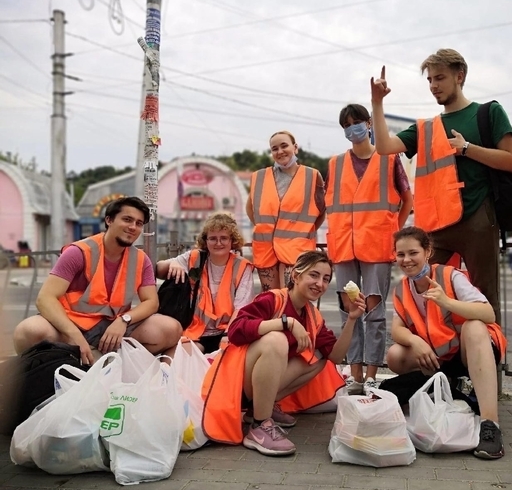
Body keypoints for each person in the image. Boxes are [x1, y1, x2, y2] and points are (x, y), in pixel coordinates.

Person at [370, 49, 512, 325]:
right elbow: (384, 146)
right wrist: (377, 103)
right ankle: (440, 348)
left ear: (459, 76)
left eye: (439, 78)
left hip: (478, 217)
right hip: (437, 224)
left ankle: (488, 350)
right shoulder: (426, 128)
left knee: (484, 294)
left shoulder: (488, 112)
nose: (433, 86)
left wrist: (467, 148)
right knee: (427, 290)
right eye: (429, 80)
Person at [201, 251, 366, 456]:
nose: (320, 284)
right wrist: (287, 323)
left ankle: (261, 408)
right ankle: (259, 426)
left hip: (253, 389)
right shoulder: (273, 299)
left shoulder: (313, 315)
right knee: (276, 340)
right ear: (296, 276)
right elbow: (236, 330)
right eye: (314, 275)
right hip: (233, 383)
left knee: (319, 357)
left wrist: (352, 319)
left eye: (326, 279)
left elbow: (334, 357)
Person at [382, 226, 507, 459]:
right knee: (395, 355)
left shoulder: (450, 275)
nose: (406, 260)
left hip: (473, 350)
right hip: (441, 357)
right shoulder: (402, 289)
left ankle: (490, 425)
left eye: (413, 253)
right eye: (401, 254)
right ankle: (447, 384)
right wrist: (415, 341)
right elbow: (397, 329)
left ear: (427, 252)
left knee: (474, 326)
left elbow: (488, 313)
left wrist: (446, 302)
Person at [13, 197, 182, 365]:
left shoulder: (140, 260)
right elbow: (45, 298)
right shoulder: (78, 252)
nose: (133, 227)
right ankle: (80, 357)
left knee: (171, 329)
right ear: (109, 220)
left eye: (139, 223)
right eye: (127, 219)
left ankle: (103, 360)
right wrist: (74, 335)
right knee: (28, 331)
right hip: (70, 324)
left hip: (113, 327)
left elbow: (151, 302)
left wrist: (124, 320)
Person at [325, 103, 414, 395]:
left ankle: (372, 375)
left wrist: (393, 231)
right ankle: (356, 376)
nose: (352, 129)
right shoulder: (335, 164)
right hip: (343, 247)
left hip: (377, 245)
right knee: (349, 313)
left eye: (356, 122)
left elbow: (407, 199)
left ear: (369, 124)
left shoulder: (389, 159)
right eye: (346, 125)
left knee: (374, 313)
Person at [156, 212, 254, 353]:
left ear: (232, 240)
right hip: (193, 331)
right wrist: (172, 264)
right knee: (174, 361)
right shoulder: (194, 257)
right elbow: (158, 269)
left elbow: (241, 308)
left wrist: (227, 336)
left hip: (226, 332)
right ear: (205, 241)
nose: (218, 243)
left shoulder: (243, 266)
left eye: (224, 238)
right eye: (213, 238)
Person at [246, 131, 326, 291]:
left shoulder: (312, 176)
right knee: (271, 298)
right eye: (274, 148)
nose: (280, 151)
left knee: (292, 299)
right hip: (266, 249)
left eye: (284, 146)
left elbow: (321, 211)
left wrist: (305, 230)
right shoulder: (259, 177)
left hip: (297, 250)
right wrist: (265, 228)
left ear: (295, 147)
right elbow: (250, 209)